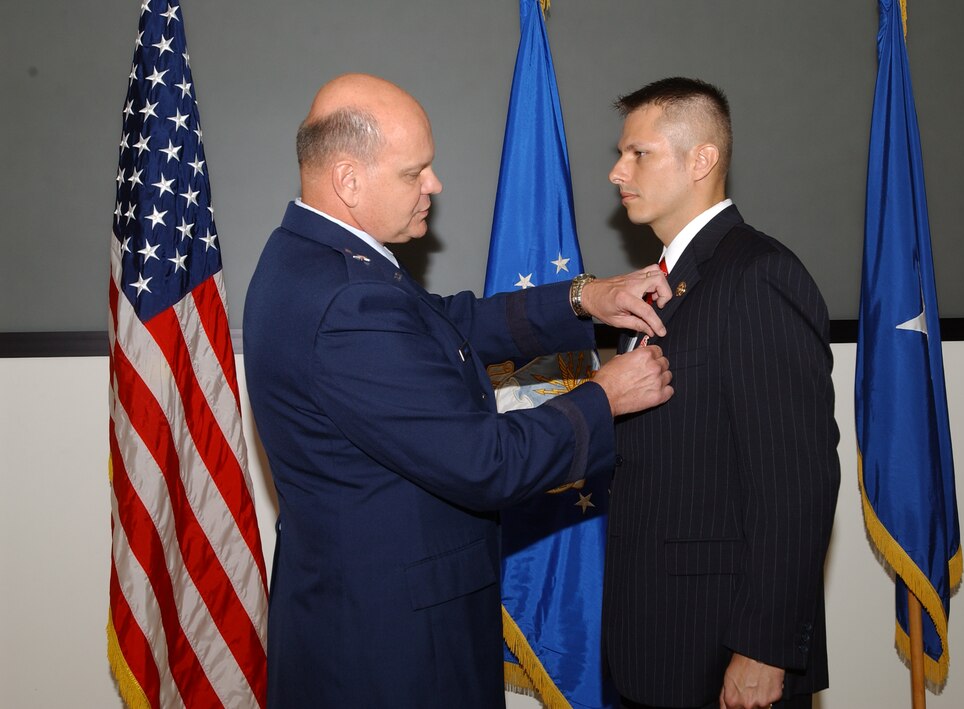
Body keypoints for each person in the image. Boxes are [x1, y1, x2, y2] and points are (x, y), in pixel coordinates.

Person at [243, 73, 675, 708]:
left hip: (359, 612)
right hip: (397, 648)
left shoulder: (306, 256)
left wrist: (585, 297)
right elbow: (487, 463)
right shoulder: (347, 300)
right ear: (348, 180)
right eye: (414, 172)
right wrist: (605, 396)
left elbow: (446, 323)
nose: (433, 186)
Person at [601, 77, 841, 709]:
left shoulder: (757, 274)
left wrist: (765, 646)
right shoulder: (665, 283)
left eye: (638, 154)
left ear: (701, 160)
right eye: (620, 154)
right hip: (655, 641)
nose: (616, 172)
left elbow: (797, 479)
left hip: (722, 649)